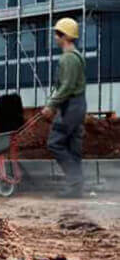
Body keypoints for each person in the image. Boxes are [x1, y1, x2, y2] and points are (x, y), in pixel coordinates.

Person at [41, 17, 87, 198]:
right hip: (78, 105)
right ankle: (75, 190)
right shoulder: (77, 57)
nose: (54, 37)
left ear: (65, 36)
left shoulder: (68, 59)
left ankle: (74, 181)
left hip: (70, 106)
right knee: (73, 145)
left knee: (55, 143)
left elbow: (66, 87)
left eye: (57, 34)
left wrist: (51, 105)